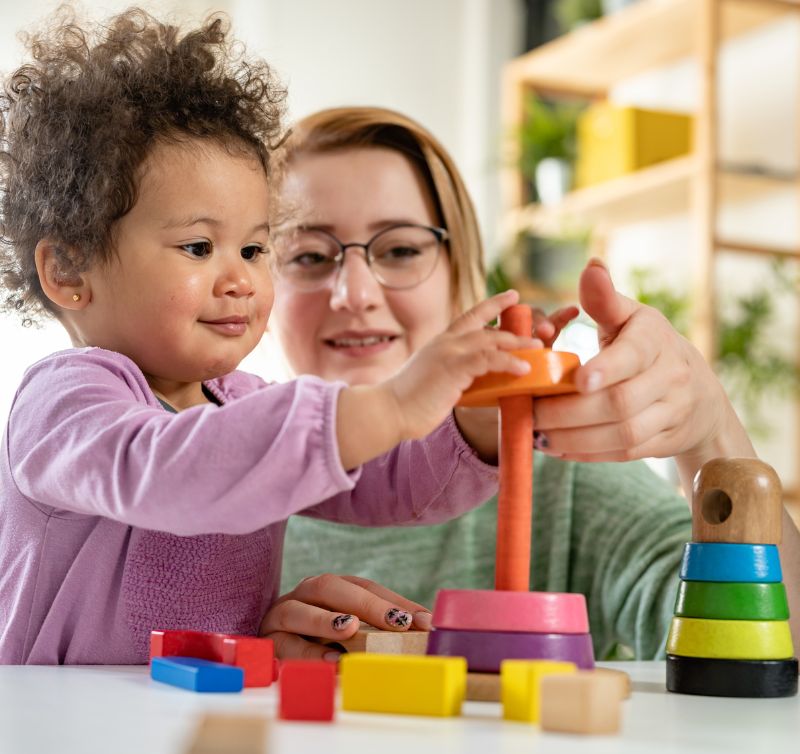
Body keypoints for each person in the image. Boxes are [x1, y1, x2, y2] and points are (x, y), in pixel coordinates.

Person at [0, 10, 542, 665]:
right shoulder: (65, 402)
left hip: (203, 716)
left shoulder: (245, 403)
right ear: (69, 270)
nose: (241, 279)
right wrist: (391, 404)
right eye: (199, 246)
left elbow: (383, 478)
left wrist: (473, 424)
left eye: (256, 248)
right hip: (61, 729)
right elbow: (171, 469)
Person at [271, 106, 800, 659]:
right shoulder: (202, 479)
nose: (356, 294)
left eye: (401, 250)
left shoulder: (559, 481)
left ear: (460, 273)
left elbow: (775, 648)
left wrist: (710, 434)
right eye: (308, 255)